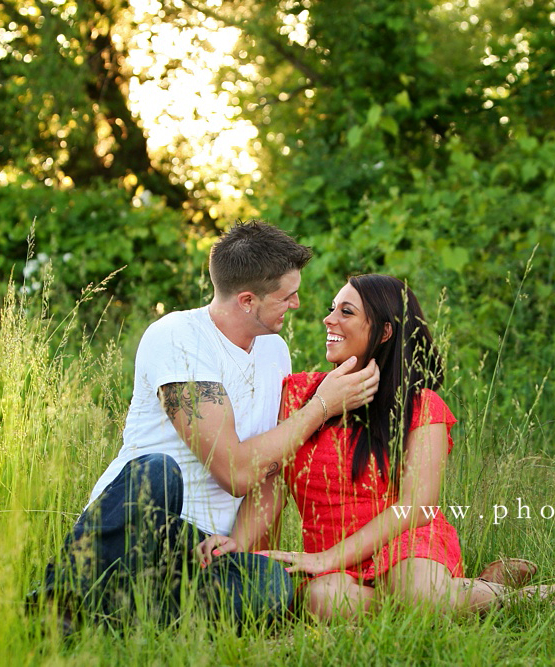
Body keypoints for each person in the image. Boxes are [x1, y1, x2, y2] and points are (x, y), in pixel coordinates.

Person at [29, 221, 380, 630]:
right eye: (287, 295)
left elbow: (272, 470)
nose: (298, 304)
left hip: (207, 553)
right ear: (248, 300)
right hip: (141, 532)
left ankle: (124, 616)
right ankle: (59, 600)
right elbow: (235, 471)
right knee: (157, 472)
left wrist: (240, 547)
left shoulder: (274, 351)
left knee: (270, 590)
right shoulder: (178, 338)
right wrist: (321, 406)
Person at [201, 274, 555, 620]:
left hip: (405, 541)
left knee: (419, 594)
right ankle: (479, 588)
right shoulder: (298, 396)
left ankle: (542, 598)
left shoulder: (420, 405)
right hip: (328, 552)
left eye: (346, 312)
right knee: (322, 602)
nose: (328, 319)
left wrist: (328, 560)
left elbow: (417, 504)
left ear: (383, 331)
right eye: (332, 307)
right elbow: (269, 485)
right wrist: (240, 541)